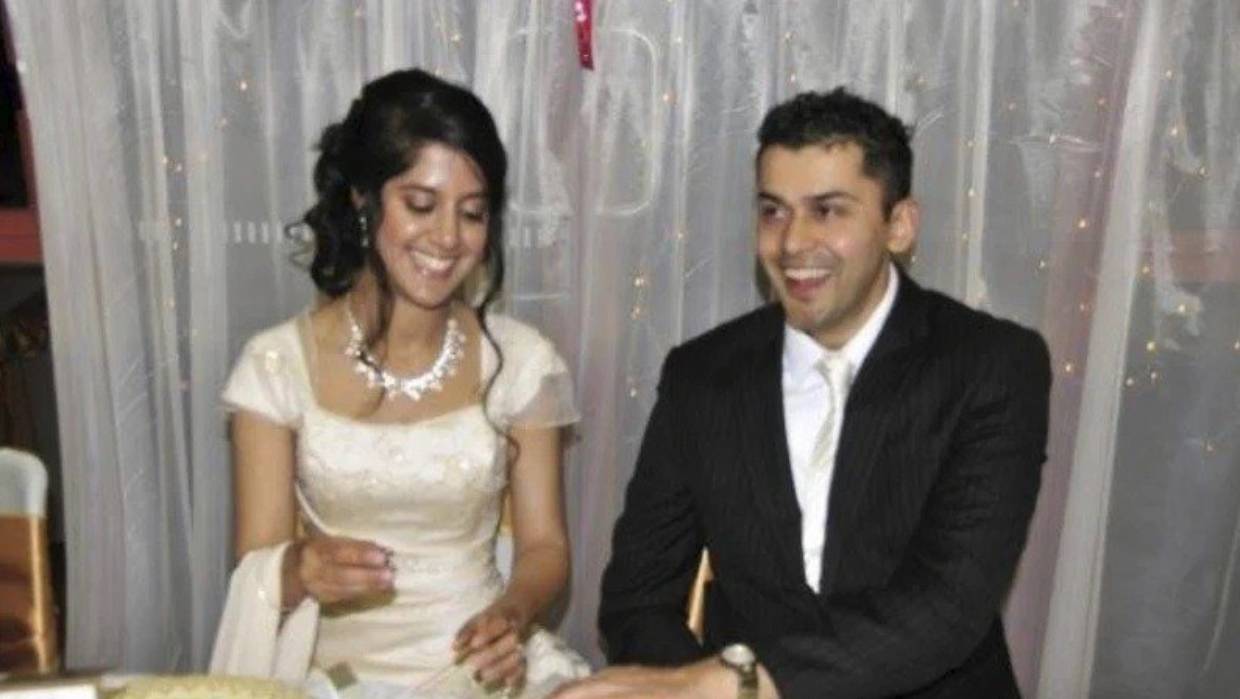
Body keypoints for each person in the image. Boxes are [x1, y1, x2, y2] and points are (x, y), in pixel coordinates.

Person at [554, 88, 1051, 698]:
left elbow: (947, 606)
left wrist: (738, 686)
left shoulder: (990, 364)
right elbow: (636, 601)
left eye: (828, 211)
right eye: (773, 212)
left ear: (899, 225)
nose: (791, 243)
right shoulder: (702, 376)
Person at [213, 69, 588, 698]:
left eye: (472, 213)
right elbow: (258, 562)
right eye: (420, 205)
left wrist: (512, 615)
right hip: (337, 682)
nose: (448, 238)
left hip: (485, 674)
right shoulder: (275, 367)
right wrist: (301, 567)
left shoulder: (523, 362)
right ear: (362, 198)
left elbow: (545, 546)